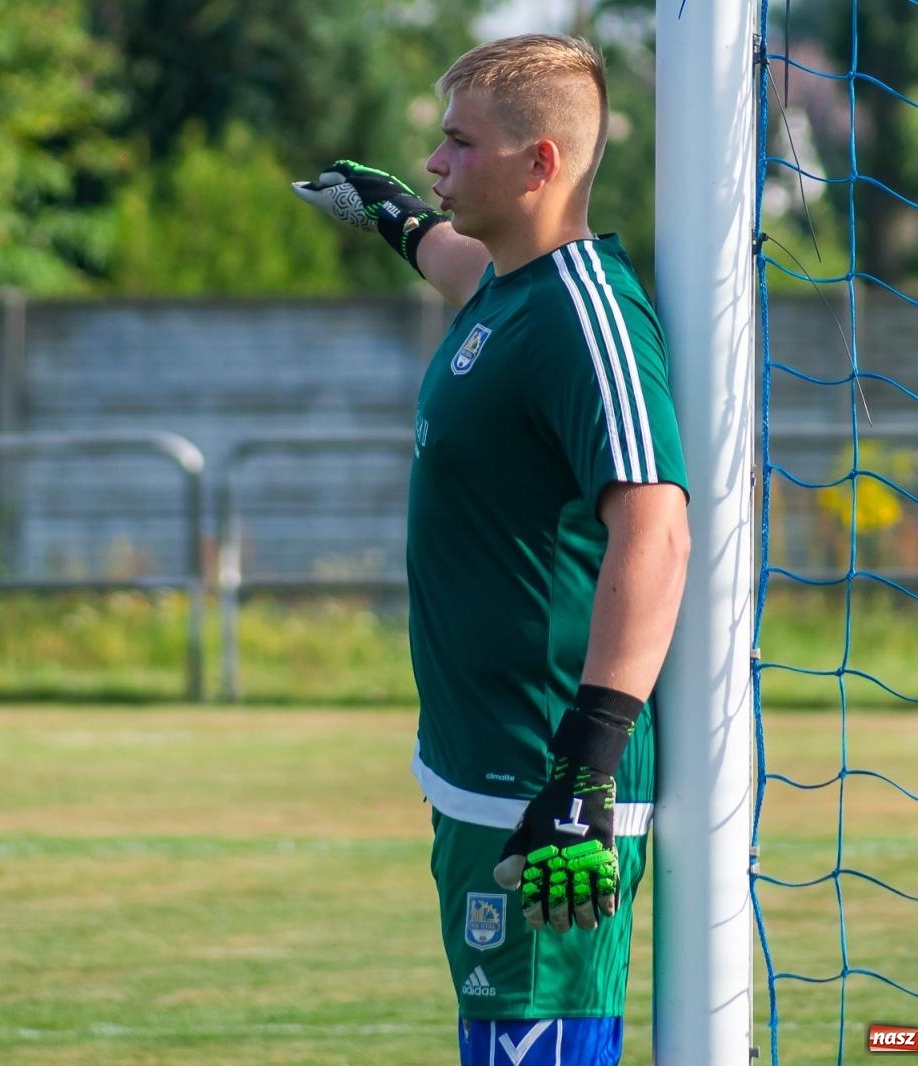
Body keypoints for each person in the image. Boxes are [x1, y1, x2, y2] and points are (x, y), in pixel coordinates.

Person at [293, 34, 691, 1065]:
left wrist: (587, 765)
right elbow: (452, 257)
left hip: (547, 783)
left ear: (541, 164)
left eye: (458, 144)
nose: (434, 162)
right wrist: (393, 215)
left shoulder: (587, 316)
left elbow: (655, 526)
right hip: (483, 768)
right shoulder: (508, 287)